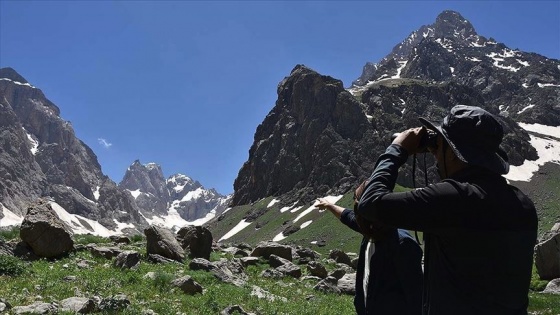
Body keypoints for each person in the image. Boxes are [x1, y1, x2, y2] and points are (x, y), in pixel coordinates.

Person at [356, 105, 538, 315]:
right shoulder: (522, 203)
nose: (435, 156)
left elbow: (370, 203)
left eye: (440, 146)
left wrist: (397, 149)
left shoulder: (454, 198)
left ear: (453, 153)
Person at [316, 182, 423, 315]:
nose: (355, 210)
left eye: (357, 203)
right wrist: (329, 206)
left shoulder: (403, 244)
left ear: (368, 209)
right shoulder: (370, 228)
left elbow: (417, 299)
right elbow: (347, 216)